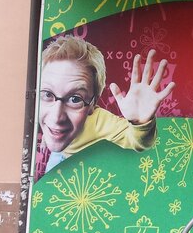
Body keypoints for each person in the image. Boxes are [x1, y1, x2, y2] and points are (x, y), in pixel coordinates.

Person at [38, 34, 174, 174]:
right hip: (57, 157)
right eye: (47, 94)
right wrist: (47, 137)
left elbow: (137, 142)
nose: (56, 117)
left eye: (75, 99)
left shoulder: (99, 121)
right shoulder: (43, 112)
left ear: (93, 103)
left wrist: (140, 123)